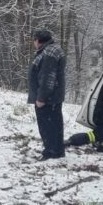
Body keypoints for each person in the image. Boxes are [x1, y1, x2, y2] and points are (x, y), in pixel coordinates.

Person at [28, 28, 66, 159]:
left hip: (48, 98)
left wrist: (41, 98)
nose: (33, 43)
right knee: (55, 124)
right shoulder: (51, 50)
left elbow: (48, 77)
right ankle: (56, 149)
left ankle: (52, 151)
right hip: (54, 97)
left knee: (48, 126)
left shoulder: (49, 53)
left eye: (34, 40)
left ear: (38, 41)